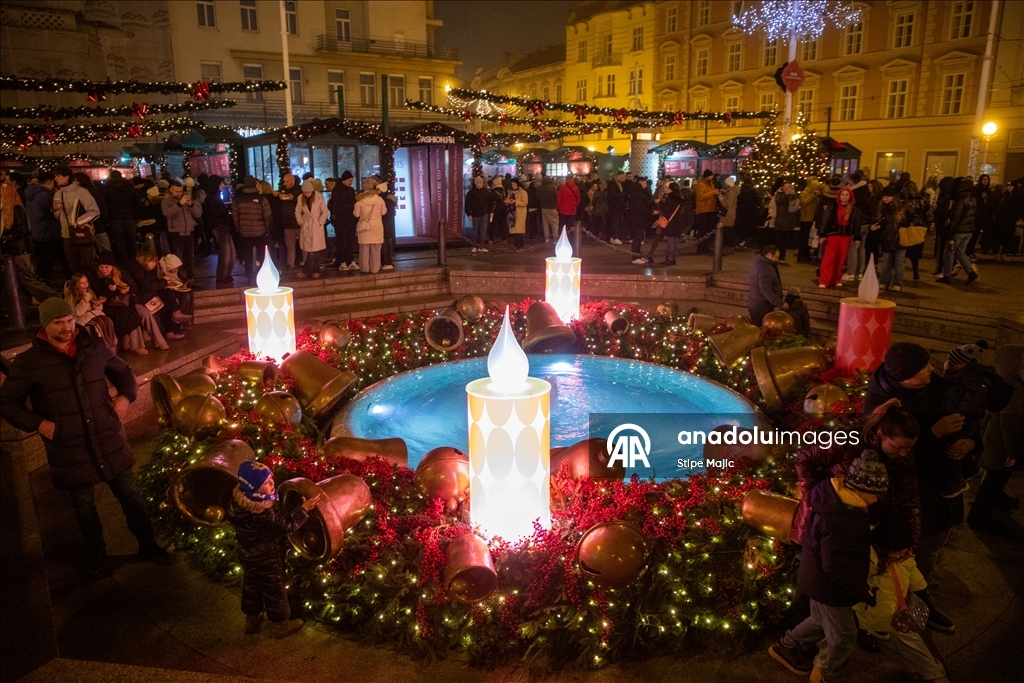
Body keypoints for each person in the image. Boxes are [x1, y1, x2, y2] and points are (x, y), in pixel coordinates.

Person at [0, 298, 171, 578]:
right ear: (45, 324)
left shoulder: (93, 347)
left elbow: (124, 373)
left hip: (108, 438)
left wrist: (125, 399)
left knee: (131, 497)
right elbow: (7, 403)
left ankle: (148, 545)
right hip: (69, 446)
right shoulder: (30, 362)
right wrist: (39, 423)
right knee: (83, 507)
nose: (68, 327)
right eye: (59, 322)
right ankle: (97, 554)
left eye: (69, 320)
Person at [862, 343, 963, 633]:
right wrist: (934, 433)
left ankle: (918, 597)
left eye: (928, 363)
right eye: (921, 368)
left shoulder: (936, 386)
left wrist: (969, 442)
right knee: (904, 550)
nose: (931, 368)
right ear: (903, 377)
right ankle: (902, 604)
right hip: (902, 491)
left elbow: (963, 419)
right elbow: (886, 453)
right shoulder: (881, 403)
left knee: (931, 541)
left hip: (937, 482)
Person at [768, 450, 888, 682]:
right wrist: (860, 590)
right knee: (844, 635)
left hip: (818, 581)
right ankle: (829, 675)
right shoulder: (841, 518)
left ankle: (788, 645)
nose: (876, 500)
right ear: (861, 489)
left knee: (821, 621)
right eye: (875, 494)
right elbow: (835, 564)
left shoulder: (840, 502)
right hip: (831, 589)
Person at [227, 460, 319, 638]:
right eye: (266, 483)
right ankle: (281, 624)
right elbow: (288, 525)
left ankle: (251, 618)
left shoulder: (239, 504)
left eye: (271, 479)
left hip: (247, 553)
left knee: (252, 585)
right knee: (274, 590)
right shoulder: (263, 513)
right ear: (253, 489)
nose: (272, 484)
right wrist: (303, 509)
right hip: (267, 557)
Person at [852, 517, 950, 683]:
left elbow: (913, 573)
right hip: (867, 615)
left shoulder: (905, 559)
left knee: (913, 641)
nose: (910, 554)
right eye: (904, 551)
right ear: (886, 549)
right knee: (840, 639)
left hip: (896, 613)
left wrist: (921, 589)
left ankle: (933, 671)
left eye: (910, 550)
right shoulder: (867, 562)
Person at [938, 341, 1013, 499]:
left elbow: (970, 403)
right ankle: (970, 469)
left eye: (951, 361)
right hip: (962, 419)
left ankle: (956, 481)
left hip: (962, 420)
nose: (947, 363)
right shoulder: (966, 376)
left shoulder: (973, 379)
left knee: (953, 448)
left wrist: (958, 416)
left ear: (959, 364)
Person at [968, 344, 1022, 535]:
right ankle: (980, 517)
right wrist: (1013, 452)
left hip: (994, 441)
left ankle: (985, 509)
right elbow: (1010, 422)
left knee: (994, 480)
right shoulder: (1014, 387)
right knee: (994, 480)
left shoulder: (1003, 380)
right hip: (1001, 445)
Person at [1, 179, 58, 303]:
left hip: (18, 249)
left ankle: (52, 297)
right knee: (19, 279)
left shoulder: (16, 210)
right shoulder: (8, 210)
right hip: (13, 249)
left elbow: (22, 231)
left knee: (27, 278)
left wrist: (5, 239)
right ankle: (22, 305)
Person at [125, 251, 190, 339]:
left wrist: (163, 282)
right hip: (142, 297)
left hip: (148, 293)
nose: (155, 264)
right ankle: (171, 326)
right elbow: (149, 286)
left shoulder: (144, 270)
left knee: (168, 293)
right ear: (146, 261)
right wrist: (164, 280)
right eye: (153, 262)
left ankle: (175, 317)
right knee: (165, 300)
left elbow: (153, 283)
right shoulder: (137, 272)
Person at [52, 166, 100, 274]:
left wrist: (78, 222)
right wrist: (55, 209)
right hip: (66, 235)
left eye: (58, 176)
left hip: (82, 233)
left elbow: (95, 211)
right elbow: (58, 217)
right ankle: (80, 288)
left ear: (67, 177)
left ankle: (93, 286)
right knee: (73, 264)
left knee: (89, 264)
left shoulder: (82, 192)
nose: (55, 179)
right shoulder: (58, 194)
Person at [25, 172, 67, 280]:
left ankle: (42, 281)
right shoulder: (45, 196)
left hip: (38, 231)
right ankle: (44, 283)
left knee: (44, 260)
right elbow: (54, 212)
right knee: (51, 260)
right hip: (49, 232)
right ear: (49, 182)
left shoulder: (31, 195)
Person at [817, 186, 860, 289]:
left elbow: (856, 223)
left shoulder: (854, 209)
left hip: (846, 236)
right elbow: (825, 220)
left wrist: (857, 237)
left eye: (846, 195)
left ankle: (836, 279)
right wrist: (822, 234)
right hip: (833, 235)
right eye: (842, 194)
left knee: (840, 259)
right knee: (829, 258)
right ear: (839, 196)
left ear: (850, 196)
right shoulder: (833, 206)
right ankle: (824, 279)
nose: (844, 197)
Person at [233, 177, 273, 284]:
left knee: (248, 256)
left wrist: (240, 229)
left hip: (245, 233)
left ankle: (250, 277)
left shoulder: (238, 200)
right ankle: (263, 275)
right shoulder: (261, 198)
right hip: (260, 231)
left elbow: (235, 218)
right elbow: (267, 216)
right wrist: (267, 229)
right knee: (262, 255)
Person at [939, 178, 979, 285]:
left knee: (949, 253)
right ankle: (971, 273)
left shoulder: (960, 201)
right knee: (960, 252)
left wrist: (949, 234)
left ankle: (947, 276)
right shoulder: (973, 199)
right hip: (968, 231)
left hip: (958, 231)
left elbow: (955, 218)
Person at [162, 180, 202, 281]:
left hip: (189, 231)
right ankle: (179, 278)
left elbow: (198, 214)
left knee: (190, 257)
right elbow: (167, 213)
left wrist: (190, 205)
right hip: (176, 232)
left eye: (180, 191)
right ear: (171, 190)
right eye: (176, 191)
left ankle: (190, 278)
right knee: (177, 257)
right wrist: (179, 204)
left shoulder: (188, 198)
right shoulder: (166, 201)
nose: (179, 193)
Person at [102, 170, 140, 267]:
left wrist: (107, 218)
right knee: (132, 239)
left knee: (119, 241)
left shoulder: (108, 187)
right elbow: (136, 202)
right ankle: (135, 260)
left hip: (115, 217)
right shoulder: (129, 186)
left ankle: (123, 262)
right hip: (129, 216)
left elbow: (105, 204)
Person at [873, 186, 906, 291]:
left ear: (893, 197)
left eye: (888, 197)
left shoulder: (902, 208)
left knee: (899, 262)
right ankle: (884, 281)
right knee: (886, 261)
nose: (885, 199)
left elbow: (912, 218)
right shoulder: (881, 208)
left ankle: (897, 283)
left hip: (900, 238)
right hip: (886, 238)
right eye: (884, 197)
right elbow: (879, 222)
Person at [295, 179, 328, 279]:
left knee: (314, 250)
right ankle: (315, 270)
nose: (307, 194)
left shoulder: (319, 197)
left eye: (308, 192)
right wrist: (301, 222)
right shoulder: (300, 198)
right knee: (310, 250)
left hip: (316, 224)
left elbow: (325, 211)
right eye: (305, 192)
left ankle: (306, 271)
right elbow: (297, 211)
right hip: (307, 224)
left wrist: (320, 221)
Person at [747, 244, 786, 326]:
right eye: (775, 257)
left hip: (756, 303)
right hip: (762, 307)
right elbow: (766, 290)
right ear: (769, 255)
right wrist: (780, 303)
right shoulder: (765, 269)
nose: (777, 260)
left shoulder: (758, 261)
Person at [353, 179, 386, 274]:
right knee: (376, 249)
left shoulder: (360, 200)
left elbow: (356, 214)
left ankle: (364, 268)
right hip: (377, 227)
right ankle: (375, 269)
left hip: (364, 227)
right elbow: (384, 212)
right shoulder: (379, 200)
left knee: (364, 249)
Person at [330, 170, 358, 270]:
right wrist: (351, 206)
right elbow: (337, 206)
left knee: (350, 241)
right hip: (341, 220)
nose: (351, 182)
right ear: (344, 180)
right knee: (342, 241)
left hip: (350, 219)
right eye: (350, 180)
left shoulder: (351, 190)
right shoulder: (337, 191)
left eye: (352, 180)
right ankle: (341, 261)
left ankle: (349, 260)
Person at [276, 173, 302, 270]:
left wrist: (280, 195)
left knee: (303, 245)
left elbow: (289, 197)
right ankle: (290, 264)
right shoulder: (283, 189)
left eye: (287, 181)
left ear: (292, 181)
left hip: (299, 223)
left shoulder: (299, 190)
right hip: (287, 224)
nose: (285, 183)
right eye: (284, 181)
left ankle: (306, 263)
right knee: (290, 246)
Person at [628, 177, 654, 265]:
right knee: (637, 238)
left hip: (639, 219)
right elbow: (639, 208)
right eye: (645, 183)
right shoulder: (638, 194)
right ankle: (635, 257)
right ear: (641, 182)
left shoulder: (637, 193)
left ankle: (638, 255)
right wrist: (650, 211)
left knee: (639, 238)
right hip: (638, 219)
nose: (646, 185)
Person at [773, 182, 801, 262]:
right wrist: (786, 194)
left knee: (785, 241)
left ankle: (782, 257)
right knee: (778, 241)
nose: (788, 188)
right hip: (780, 221)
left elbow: (794, 206)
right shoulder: (779, 194)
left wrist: (793, 195)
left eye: (790, 186)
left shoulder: (793, 195)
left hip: (789, 221)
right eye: (787, 186)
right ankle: (776, 256)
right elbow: (778, 202)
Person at [464, 176, 492, 253]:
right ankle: (475, 246)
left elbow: (490, 202)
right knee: (475, 231)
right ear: (476, 184)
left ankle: (481, 246)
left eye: (482, 183)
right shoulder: (471, 193)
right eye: (479, 183)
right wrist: (469, 213)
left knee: (483, 231)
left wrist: (491, 211)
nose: (481, 184)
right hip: (475, 214)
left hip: (484, 214)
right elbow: (467, 204)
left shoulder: (486, 192)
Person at [798, 176, 822, 263]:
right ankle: (802, 255)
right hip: (805, 218)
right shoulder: (805, 193)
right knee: (804, 238)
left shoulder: (815, 195)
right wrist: (813, 195)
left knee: (809, 238)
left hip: (812, 218)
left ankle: (806, 254)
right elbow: (804, 203)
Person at [694, 169, 719, 253]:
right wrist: (712, 193)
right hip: (703, 211)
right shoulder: (701, 185)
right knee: (702, 230)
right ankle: (700, 247)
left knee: (708, 230)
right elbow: (700, 196)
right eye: (711, 176)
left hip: (711, 210)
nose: (712, 177)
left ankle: (706, 246)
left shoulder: (711, 184)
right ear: (707, 176)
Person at [734, 180, 760, 249]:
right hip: (751, 214)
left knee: (740, 229)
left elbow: (738, 202)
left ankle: (739, 242)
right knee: (749, 230)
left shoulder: (741, 193)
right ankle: (747, 243)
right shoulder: (754, 193)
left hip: (741, 214)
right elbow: (758, 202)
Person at [606, 171, 629, 245]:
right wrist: (622, 195)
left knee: (620, 220)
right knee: (615, 221)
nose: (623, 178)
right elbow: (612, 194)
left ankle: (613, 236)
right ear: (618, 176)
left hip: (620, 206)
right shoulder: (612, 184)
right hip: (614, 206)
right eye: (622, 177)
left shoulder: (622, 184)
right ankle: (614, 236)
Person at [506, 178, 528, 250]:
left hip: (520, 213)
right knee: (514, 229)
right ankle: (516, 243)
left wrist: (515, 202)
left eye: (514, 185)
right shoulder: (510, 192)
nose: (513, 186)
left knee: (519, 229)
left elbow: (525, 203)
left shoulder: (523, 192)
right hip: (512, 213)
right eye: (512, 185)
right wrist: (507, 202)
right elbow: (507, 200)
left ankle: (520, 244)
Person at [537, 175, 558, 243]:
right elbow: (556, 196)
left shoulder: (540, 188)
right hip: (552, 207)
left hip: (543, 207)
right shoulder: (553, 188)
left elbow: (538, 197)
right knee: (554, 223)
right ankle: (555, 238)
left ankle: (547, 238)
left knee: (545, 223)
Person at [719, 176, 739, 247]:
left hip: (728, 213)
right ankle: (729, 245)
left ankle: (729, 245)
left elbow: (727, 203)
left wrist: (721, 199)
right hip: (730, 213)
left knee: (728, 230)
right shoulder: (733, 191)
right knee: (729, 229)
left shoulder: (731, 192)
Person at [489, 177, 508, 244]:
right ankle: (504, 238)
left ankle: (491, 239)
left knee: (493, 225)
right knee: (502, 224)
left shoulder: (493, 192)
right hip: (503, 210)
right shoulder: (503, 191)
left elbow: (491, 201)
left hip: (495, 210)